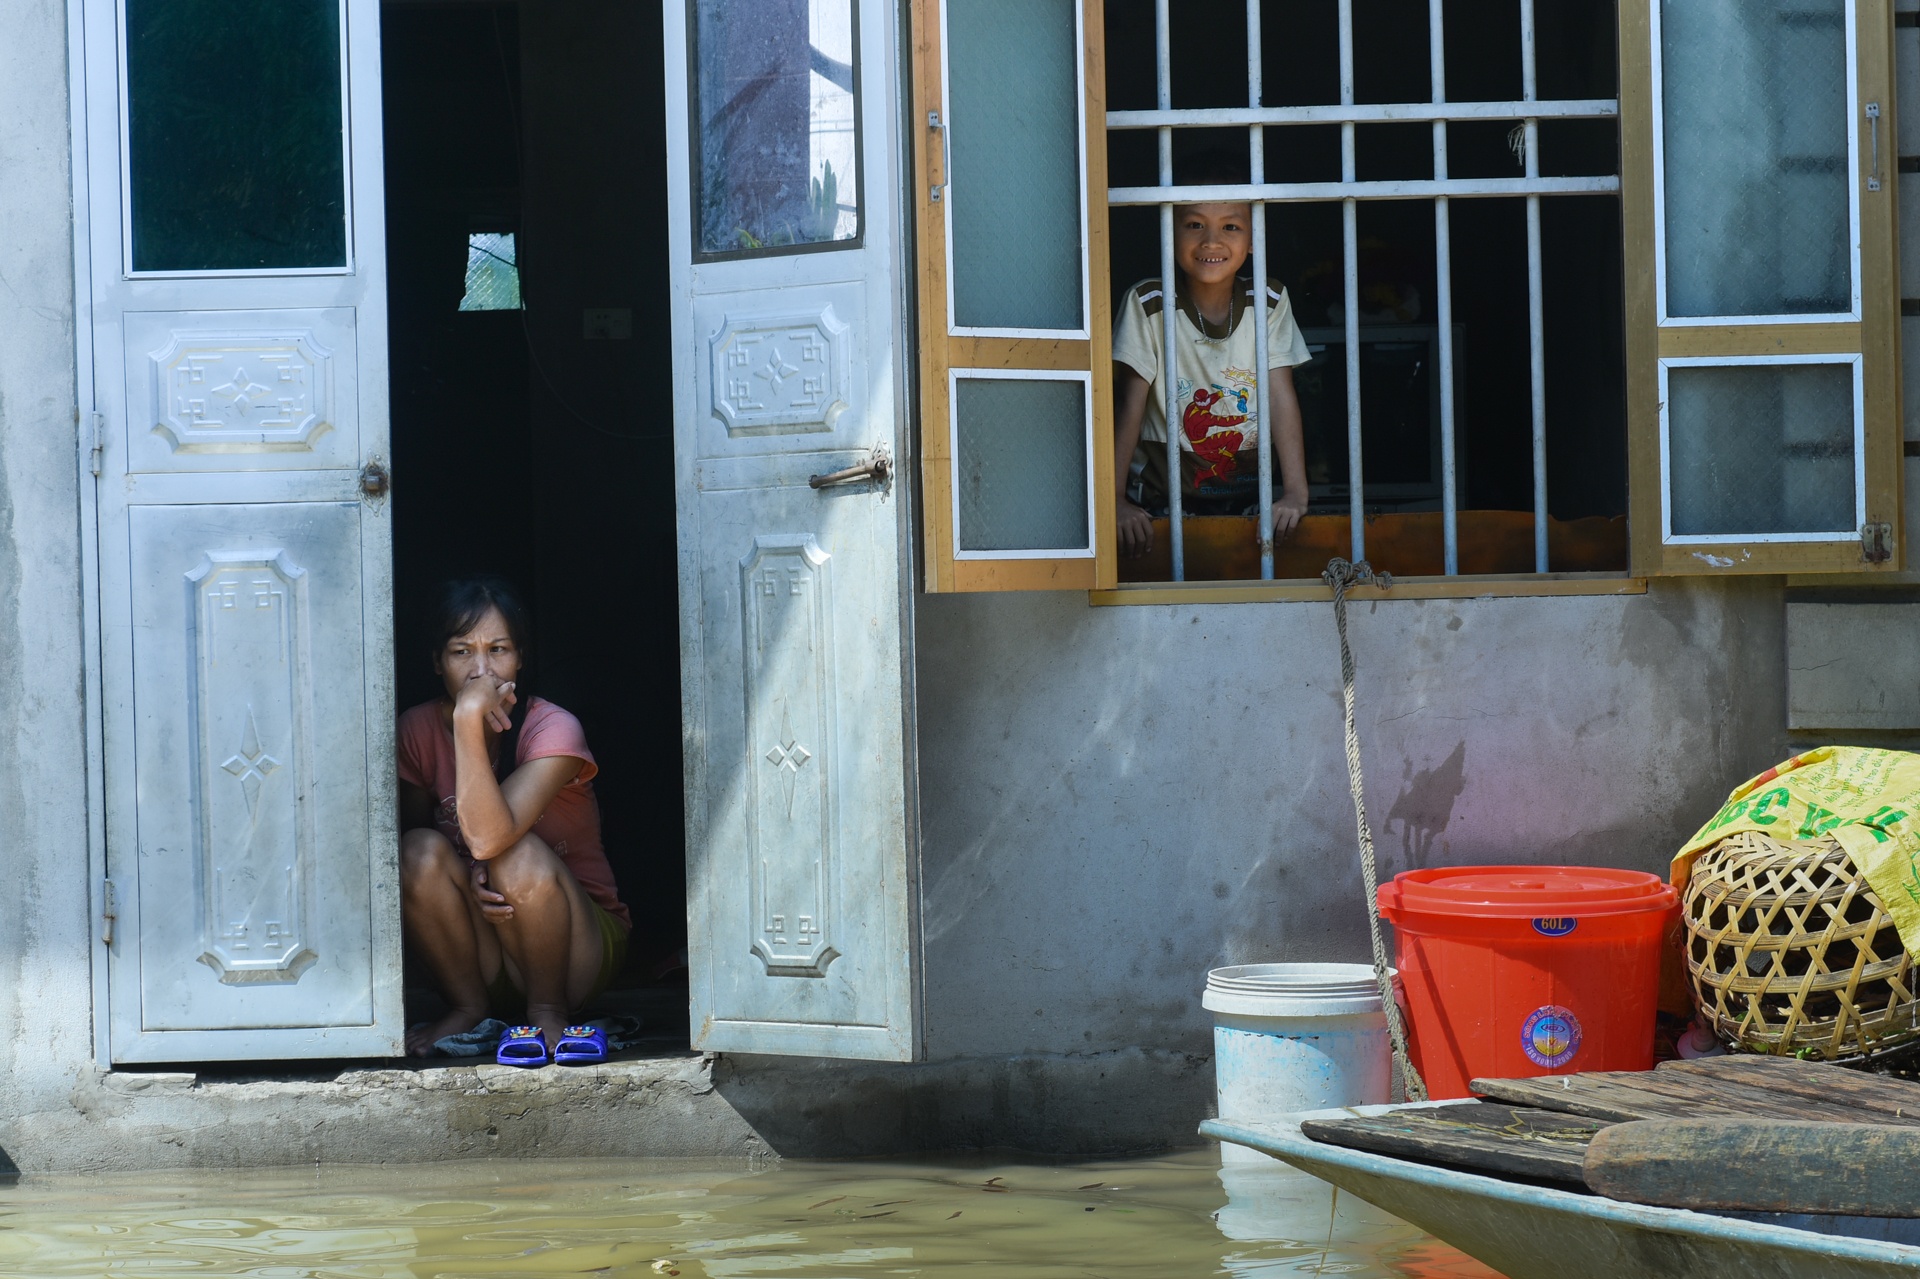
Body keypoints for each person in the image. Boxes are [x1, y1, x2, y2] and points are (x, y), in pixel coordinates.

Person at [396, 576, 631, 1057]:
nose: (481, 670)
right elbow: (415, 846)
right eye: (462, 652)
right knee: (416, 851)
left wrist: (466, 720)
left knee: (513, 852)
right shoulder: (416, 732)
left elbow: (488, 839)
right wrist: (467, 875)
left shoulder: (552, 728)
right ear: (436, 662)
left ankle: (547, 1012)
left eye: (498, 649)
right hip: (480, 944)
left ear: (520, 657)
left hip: (573, 948)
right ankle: (468, 1006)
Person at [1112, 153, 1313, 559]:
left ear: (1254, 239)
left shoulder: (1268, 300)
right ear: (1171, 232)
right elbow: (1129, 404)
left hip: (1249, 503)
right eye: (1194, 224)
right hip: (1157, 501)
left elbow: (1280, 395)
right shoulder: (1149, 303)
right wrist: (1113, 500)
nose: (1211, 242)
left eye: (1231, 227)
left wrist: (1294, 493)